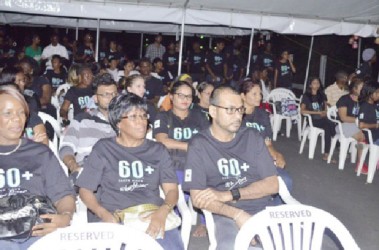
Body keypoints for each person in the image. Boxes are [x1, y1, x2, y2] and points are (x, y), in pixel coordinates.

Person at [76, 94, 183, 250]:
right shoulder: (104, 149)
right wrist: (103, 214)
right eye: (133, 117)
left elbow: (172, 190)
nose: (141, 122)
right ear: (118, 122)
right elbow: (85, 190)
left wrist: (163, 211)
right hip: (115, 216)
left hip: (152, 213)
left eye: (143, 116)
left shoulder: (157, 150)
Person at [183, 86, 279, 250]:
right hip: (226, 214)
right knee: (231, 246)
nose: (237, 116)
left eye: (240, 110)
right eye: (230, 110)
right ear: (213, 111)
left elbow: (273, 185)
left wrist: (227, 194)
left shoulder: (252, 137)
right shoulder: (199, 144)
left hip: (263, 208)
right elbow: (198, 198)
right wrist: (238, 215)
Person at [0, 86, 75, 249]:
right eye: (8, 113)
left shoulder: (39, 153)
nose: (17, 119)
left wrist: (65, 217)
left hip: (39, 233)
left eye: (21, 113)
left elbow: (63, 195)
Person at [239, 79, 292, 200]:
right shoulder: (235, 114)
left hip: (261, 157)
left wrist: (276, 154)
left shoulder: (262, 114)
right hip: (242, 160)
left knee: (285, 181)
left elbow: (267, 142)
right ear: (243, 96)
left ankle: (275, 212)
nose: (259, 97)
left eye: (260, 94)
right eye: (254, 94)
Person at [59, 73, 117, 178]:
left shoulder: (125, 120)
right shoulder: (82, 119)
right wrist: (74, 167)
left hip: (117, 173)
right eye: (106, 95)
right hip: (87, 172)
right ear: (95, 98)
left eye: (114, 94)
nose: (111, 98)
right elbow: (66, 148)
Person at [0, 67, 48, 145]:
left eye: (23, 80)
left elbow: (43, 143)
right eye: (19, 81)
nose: (23, 84)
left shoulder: (30, 103)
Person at [301, 77, 336, 162]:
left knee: (328, 126)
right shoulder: (307, 96)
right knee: (330, 124)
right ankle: (336, 139)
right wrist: (317, 113)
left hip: (322, 119)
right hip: (313, 120)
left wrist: (324, 112)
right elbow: (302, 111)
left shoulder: (322, 95)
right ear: (310, 85)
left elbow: (325, 108)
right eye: (314, 83)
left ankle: (326, 154)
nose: (316, 85)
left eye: (318, 83)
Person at [336, 77, 366, 173]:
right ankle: (360, 163)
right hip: (342, 126)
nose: (364, 89)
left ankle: (373, 160)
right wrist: (359, 121)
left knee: (372, 133)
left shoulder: (362, 101)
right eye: (362, 87)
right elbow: (343, 117)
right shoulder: (344, 99)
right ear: (354, 88)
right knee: (362, 137)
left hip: (356, 125)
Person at [358, 81, 379, 145]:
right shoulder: (365, 106)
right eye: (377, 92)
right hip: (372, 136)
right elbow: (361, 125)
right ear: (370, 93)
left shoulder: (375, 106)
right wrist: (376, 125)